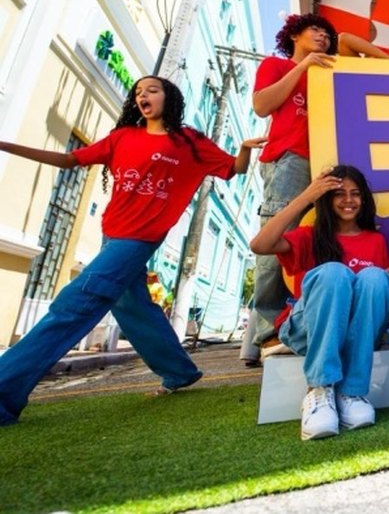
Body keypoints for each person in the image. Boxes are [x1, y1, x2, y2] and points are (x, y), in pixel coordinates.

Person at [0, 75, 264, 425]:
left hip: (139, 239)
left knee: (73, 304)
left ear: (168, 97)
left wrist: (244, 148)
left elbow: (234, 168)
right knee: (132, 306)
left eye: (151, 90)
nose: (143, 95)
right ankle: (178, 370)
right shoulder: (121, 137)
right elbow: (70, 161)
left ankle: (4, 392)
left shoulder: (189, 142)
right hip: (112, 234)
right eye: (138, 92)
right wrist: (8, 145)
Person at [250, 164, 389, 440]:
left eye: (355, 194)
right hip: (308, 330)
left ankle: (352, 391)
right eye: (339, 194)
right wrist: (307, 196)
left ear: (364, 199)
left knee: (376, 279)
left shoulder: (375, 241)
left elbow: (372, 301)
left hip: (354, 335)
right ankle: (318, 390)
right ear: (326, 199)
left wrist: (387, 284)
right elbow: (260, 245)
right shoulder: (310, 236)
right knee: (334, 272)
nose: (348, 200)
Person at [242, 13, 340, 367]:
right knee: (276, 237)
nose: (323, 37)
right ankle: (267, 331)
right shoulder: (276, 64)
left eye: (328, 35)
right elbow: (261, 105)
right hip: (291, 160)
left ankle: (291, 325)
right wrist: (302, 68)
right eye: (316, 30)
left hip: (326, 162)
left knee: (313, 243)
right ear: (294, 34)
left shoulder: (330, 73)